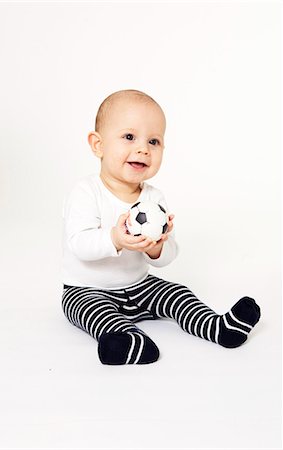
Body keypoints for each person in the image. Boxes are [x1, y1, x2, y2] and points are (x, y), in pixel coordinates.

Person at [61, 89, 261, 365]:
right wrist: (115, 239)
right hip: (87, 289)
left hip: (139, 285)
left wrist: (157, 249)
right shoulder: (86, 191)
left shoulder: (153, 199)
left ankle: (218, 328)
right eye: (129, 137)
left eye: (153, 141)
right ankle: (127, 342)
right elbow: (79, 245)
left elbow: (167, 257)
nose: (143, 148)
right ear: (98, 145)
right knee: (96, 313)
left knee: (177, 293)